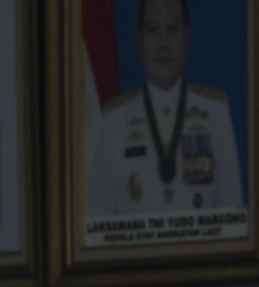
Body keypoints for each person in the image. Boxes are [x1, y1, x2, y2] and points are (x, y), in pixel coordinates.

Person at [87, 0, 242, 216]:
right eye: (153, 29)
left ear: (188, 36)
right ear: (139, 39)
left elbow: (232, 216)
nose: (163, 43)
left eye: (173, 28)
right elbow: (98, 222)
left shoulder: (215, 112)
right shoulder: (116, 119)